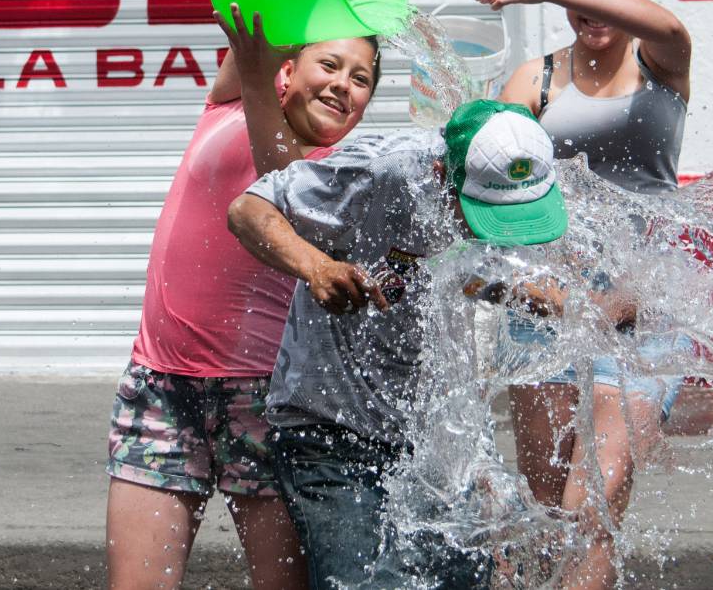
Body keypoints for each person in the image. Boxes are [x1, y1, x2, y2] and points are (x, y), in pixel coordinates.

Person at [226, 99, 569, 590]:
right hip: (331, 428)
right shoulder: (376, 171)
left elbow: (455, 268)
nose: (494, 230)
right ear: (441, 173)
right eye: (483, 213)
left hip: (432, 434)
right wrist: (317, 267)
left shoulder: (511, 179)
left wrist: (516, 288)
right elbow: (248, 209)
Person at [104, 3, 381, 590]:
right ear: (288, 67)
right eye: (329, 63)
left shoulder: (344, 168)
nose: (343, 84)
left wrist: (258, 81)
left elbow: (280, 188)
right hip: (161, 384)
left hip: (266, 400)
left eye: (361, 79)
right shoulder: (227, 103)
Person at [471, 0, 691, 586]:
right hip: (547, 312)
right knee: (549, 518)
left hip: (641, 311)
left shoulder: (663, 64)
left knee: (591, 504)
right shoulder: (532, 82)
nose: (592, 6)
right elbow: (491, 196)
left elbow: (670, 27)